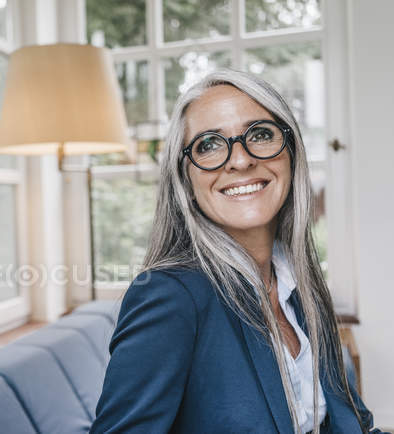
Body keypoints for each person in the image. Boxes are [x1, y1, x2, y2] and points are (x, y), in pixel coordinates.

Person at [89, 69, 388, 434]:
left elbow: (351, 422)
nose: (241, 160)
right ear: (185, 179)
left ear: (291, 153)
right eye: (209, 144)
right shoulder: (168, 296)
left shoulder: (303, 286)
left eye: (260, 134)